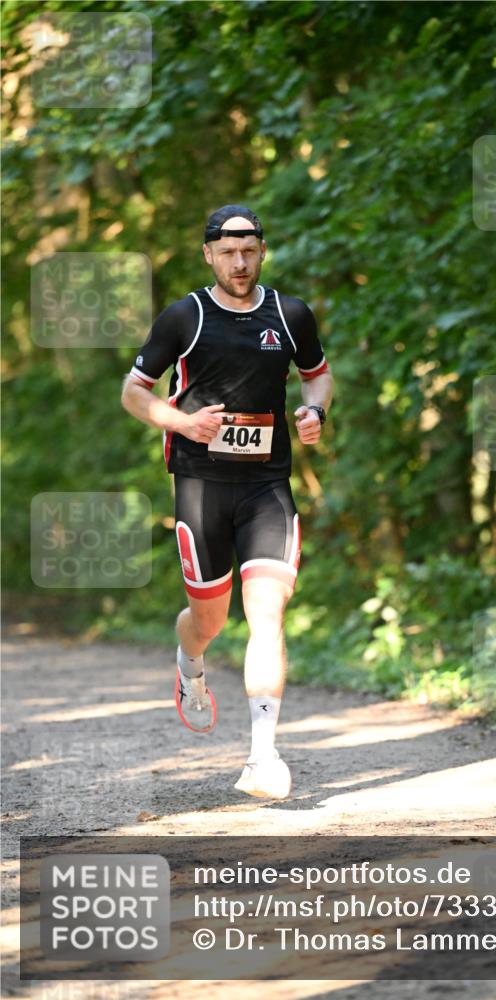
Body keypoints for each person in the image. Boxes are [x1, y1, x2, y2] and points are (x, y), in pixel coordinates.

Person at [121, 205, 333, 799]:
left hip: (268, 484)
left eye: (249, 251)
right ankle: (190, 663)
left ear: (262, 251)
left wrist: (315, 410)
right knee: (210, 618)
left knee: (267, 612)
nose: (239, 262)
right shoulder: (184, 317)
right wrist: (182, 422)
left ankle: (262, 757)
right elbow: (134, 392)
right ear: (208, 254)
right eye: (228, 252)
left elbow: (318, 374)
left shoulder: (289, 315)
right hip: (200, 483)